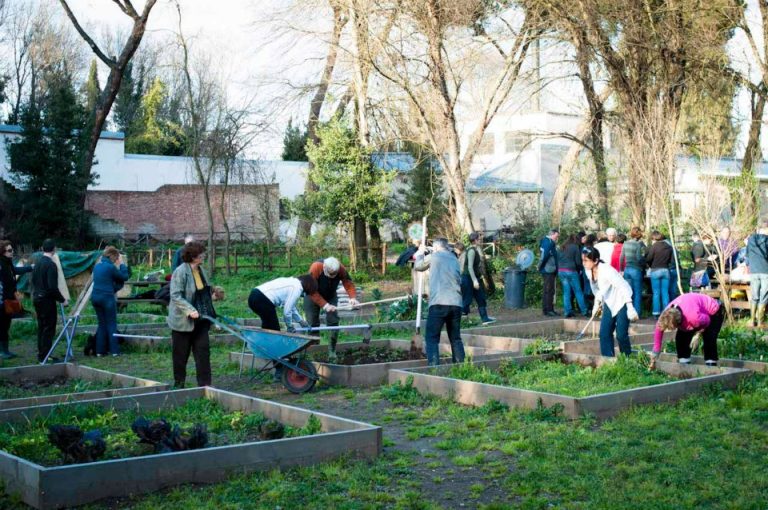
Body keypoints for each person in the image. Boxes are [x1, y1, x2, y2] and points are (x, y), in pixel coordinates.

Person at [168, 241, 215, 388]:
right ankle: (179, 384)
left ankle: (205, 385)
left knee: (203, 353)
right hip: (183, 321)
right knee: (181, 356)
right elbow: (175, 295)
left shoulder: (201, 270)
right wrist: (190, 310)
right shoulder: (180, 272)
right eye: (201, 254)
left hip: (201, 320)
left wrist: (214, 293)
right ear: (193, 257)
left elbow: (204, 291)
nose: (204, 256)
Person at [414, 238, 465, 365]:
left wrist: (420, 253)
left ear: (436, 247)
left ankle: (434, 368)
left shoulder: (434, 256)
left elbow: (418, 266)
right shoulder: (455, 259)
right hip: (456, 303)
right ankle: (461, 366)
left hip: (439, 302)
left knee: (432, 338)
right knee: (455, 338)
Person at [582, 246, 638, 357]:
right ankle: (608, 360)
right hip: (609, 301)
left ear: (596, 260)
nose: (584, 263)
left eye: (586, 260)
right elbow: (599, 290)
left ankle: (627, 360)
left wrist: (630, 307)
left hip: (622, 300)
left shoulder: (607, 270)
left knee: (621, 335)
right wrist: (597, 304)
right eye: (582, 260)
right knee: (604, 333)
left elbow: (623, 287)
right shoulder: (589, 271)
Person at [304, 257, 359, 359]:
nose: (332, 277)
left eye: (334, 275)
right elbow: (310, 290)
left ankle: (332, 351)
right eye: (330, 274)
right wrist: (325, 305)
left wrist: (352, 298)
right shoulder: (316, 267)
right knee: (312, 323)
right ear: (324, 267)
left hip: (330, 295)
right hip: (312, 294)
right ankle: (315, 349)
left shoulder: (340, 268)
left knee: (333, 322)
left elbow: (348, 283)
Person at [650, 293, 723, 367]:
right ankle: (684, 366)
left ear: (678, 323)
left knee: (709, 338)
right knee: (681, 339)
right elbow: (659, 328)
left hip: (712, 311)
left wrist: (698, 335)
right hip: (692, 309)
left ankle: (711, 367)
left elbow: (707, 320)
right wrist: (655, 352)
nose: (668, 330)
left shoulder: (693, 318)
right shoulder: (666, 313)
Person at [91, 246, 131, 357]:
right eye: (116, 257)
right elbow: (124, 276)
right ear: (112, 256)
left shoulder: (97, 266)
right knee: (111, 324)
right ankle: (115, 351)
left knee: (102, 324)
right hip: (106, 298)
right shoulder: (110, 267)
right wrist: (122, 264)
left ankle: (100, 351)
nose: (116, 260)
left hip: (95, 297)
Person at [31, 239, 66, 362]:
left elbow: (34, 282)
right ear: (54, 249)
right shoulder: (51, 265)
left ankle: (42, 354)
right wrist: (62, 300)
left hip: (37, 298)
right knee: (48, 328)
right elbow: (52, 288)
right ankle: (45, 356)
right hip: (46, 300)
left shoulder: (37, 263)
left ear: (42, 248)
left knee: (41, 327)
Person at [0, 240, 33, 359]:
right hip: (2, 300)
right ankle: (2, 351)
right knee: (2, 326)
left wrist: (30, 268)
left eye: (12, 250)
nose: (11, 252)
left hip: (8, 299)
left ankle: (5, 350)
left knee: (6, 325)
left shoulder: (8, 264)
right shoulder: (1, 265)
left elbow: (16, 271)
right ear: (2, 252)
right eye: (9, 250)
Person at [248, 275, 315, 332]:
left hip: (254, 295)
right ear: (308, 287)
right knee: (274, 330)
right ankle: (269, 346)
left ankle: (263, 344)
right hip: (263, 299)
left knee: (268, 326)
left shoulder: (293, 282)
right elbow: (287, 311)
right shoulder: (297, 288)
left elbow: (291, 307)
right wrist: (289, 326)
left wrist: (300, 321)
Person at [460, 233, 496, 324]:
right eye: (479, 239)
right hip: (468, 278)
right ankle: (457, 320)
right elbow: (470, 267)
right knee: (467, 300)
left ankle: (485, 318)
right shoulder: (471, 251)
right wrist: (474, 281)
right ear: (475, 240)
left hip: (475, 277)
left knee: (481, 297)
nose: (480, 240)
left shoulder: (476, 249)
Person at [557, 234, 588, 318]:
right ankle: (584, 311)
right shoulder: (575, 247)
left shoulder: (562, 247)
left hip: (561, 271)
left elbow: (558, 259)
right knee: (578, 291)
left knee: (566, 292)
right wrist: (580, 269)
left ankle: (567, 311)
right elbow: (578, 261)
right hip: (571, 271)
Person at [620, 227, 646, 317]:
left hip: (627, 269)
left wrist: (621, 269)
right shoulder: (638, 245)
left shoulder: (625, 243)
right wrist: (644, 265)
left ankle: (628, 312)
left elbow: (621, 257)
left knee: (628, 292)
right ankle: (637, 313)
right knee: (637, 292)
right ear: (639, 235)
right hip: (636, 270)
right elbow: (639, 258)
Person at [646, 231, 673, 317]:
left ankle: (656, 313)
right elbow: (670, 260)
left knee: (656, 293)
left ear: (654, 238)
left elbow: (649, 258)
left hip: (655, 270)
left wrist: (650, 265)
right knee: (665, 292)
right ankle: (667, 313)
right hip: (665, 270)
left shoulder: (654, 246)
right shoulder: (669, 247)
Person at [746, 222, 768, 327]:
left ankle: (751, 320)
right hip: (766, 271)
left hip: (754, 270)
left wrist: (748, 265)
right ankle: (760, 321)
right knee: (763, 296)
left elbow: (747, 254)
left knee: (754, 295)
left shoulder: (751, 239)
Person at [538, 228, 559, 317]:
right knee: (549, 290)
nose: (557, 238)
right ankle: (548, 309)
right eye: (556, 236)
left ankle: (547, 309)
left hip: (549, 268)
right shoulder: (548, 242)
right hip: (548, 269)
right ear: (552, 234)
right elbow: (544, 255)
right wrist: (540, 266)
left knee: (549, 290)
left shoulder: (548, 241)